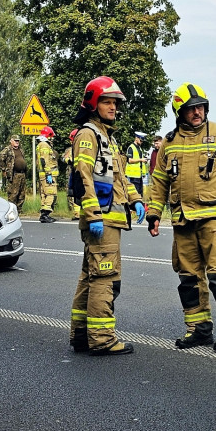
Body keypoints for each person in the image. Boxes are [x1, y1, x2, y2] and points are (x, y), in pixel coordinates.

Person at [147, 82, 216, 353]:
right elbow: (159, 182)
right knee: (188, 279)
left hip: (215, 221)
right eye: (190, 109)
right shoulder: (169, 143)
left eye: (200, 107)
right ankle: (198, 330)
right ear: (179, 112)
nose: (197, 112)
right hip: (183, 221)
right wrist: (153, 212)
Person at [68, 76, 145, 356]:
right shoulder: (89, 134)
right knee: (104, 278)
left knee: (89, 277)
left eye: (115, 102)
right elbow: (83, 176)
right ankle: (101, 339)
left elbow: (119, 177)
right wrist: (93, 214)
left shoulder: (106, 136)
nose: (113, 107)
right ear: (93, 103)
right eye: (107, 101)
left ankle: (80, 334)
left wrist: (136, 199)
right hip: (102, 219)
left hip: (110, 217)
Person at [0, 135, 27, 212]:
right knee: (13, 193)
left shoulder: (21, 149)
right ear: (11, 141)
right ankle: (12, 210)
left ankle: (19, 209)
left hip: (22, 174)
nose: (17, 142)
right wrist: (4, 170)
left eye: (18, 141)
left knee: (22, 193)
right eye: (15, 140)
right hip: (14, 174)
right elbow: (1, 159)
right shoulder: (7, 150)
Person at [37, 126, 59, 223]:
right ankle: (45, 214)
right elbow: (44, 160)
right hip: (47, 175)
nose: (52, 138)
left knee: (44, 194)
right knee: (51, 193)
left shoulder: (41, 145)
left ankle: (43, 214)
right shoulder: (44, 145)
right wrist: (48, 174)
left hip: (43, 175)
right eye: (51, 136)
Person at [63, 129, 80, 220]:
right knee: (72, 193)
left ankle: (78, 213)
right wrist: (69, 161)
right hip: (72, 172)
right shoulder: (69, 149)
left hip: (77, 172)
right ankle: (75, 212)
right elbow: (64, 159)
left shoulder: (79, 148)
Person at [125, 131, 147, 197]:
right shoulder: (131, 147)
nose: (141, 142)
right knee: (134, 194)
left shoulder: (139, 148)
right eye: (141, 140)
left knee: (140, 194)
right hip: (132, 175)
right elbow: (129, 160)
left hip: (139, 175)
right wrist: (141, 159)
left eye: (142, 141)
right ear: (136, 138)